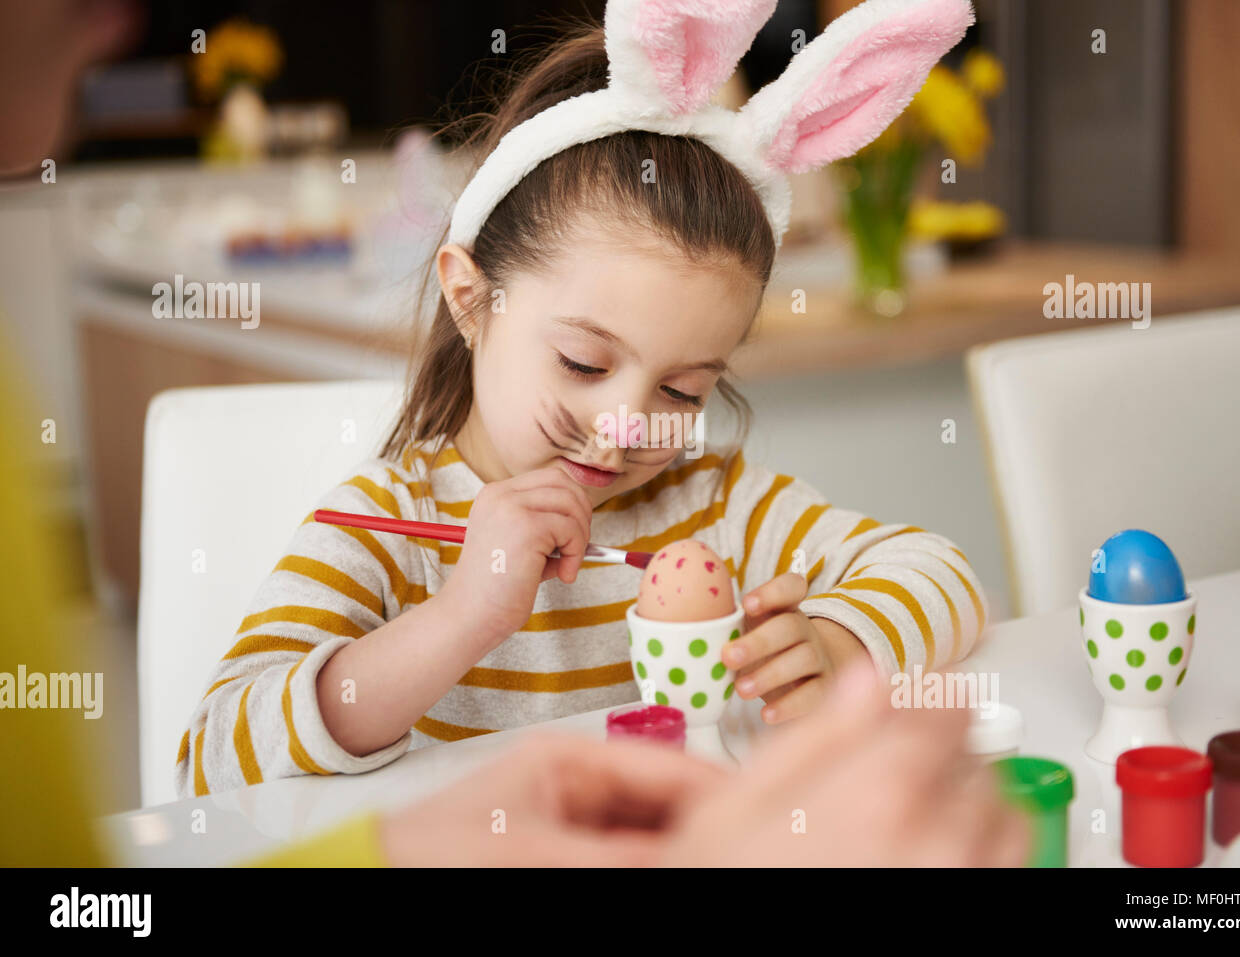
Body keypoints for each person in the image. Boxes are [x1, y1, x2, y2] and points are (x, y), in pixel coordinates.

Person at [2, 0, 1027, 868]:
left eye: (680, 387)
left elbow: (939, 573)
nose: (625, 424)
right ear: (470, 298)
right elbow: (214, 765)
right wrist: (462, 616)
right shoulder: (390, 526)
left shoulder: (705, 500)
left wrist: (837, 642)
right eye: (583, 364)